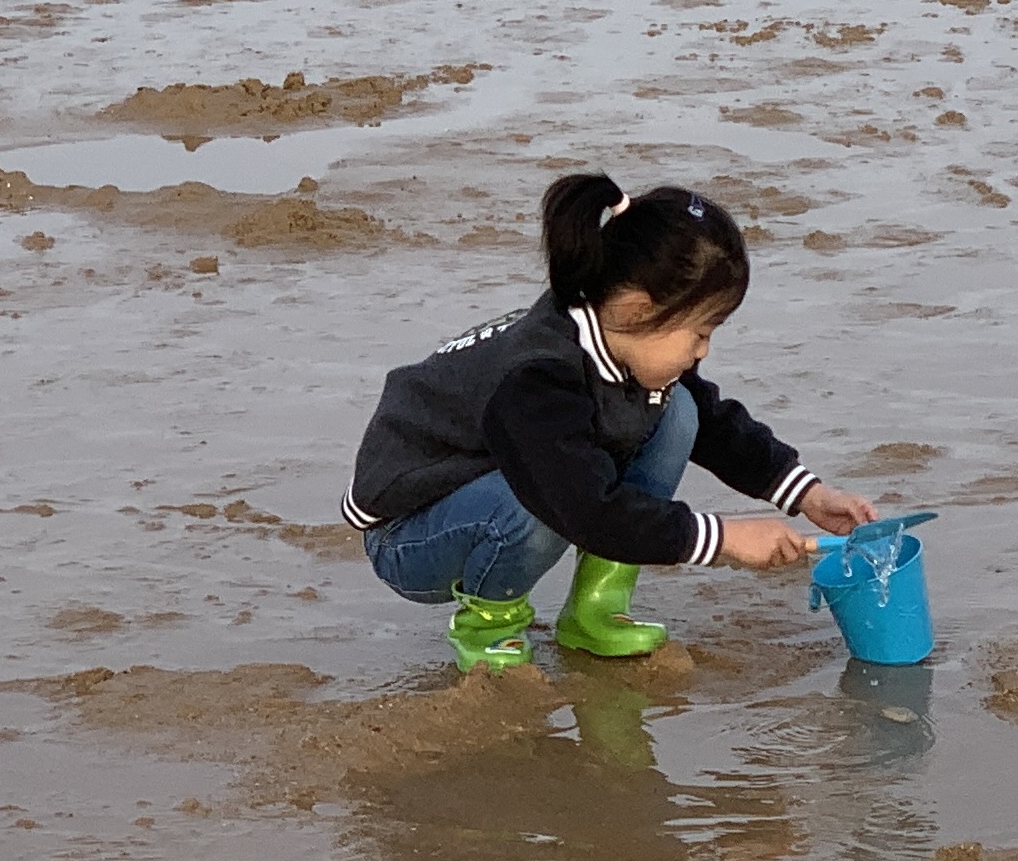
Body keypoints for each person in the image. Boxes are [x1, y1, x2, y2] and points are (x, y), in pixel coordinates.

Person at [343, 172, 879, 670]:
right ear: (638, 311)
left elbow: (716, 426)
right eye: (700, 333)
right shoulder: (538, 379)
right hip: (410, 534)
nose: (704, 352)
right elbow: (581, 506)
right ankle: (489, 631)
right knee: (539, 505)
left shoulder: (619, 337)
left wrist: (808, 494)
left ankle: (596, 609)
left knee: (680, 414)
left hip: (515, 484)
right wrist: (722, 539)